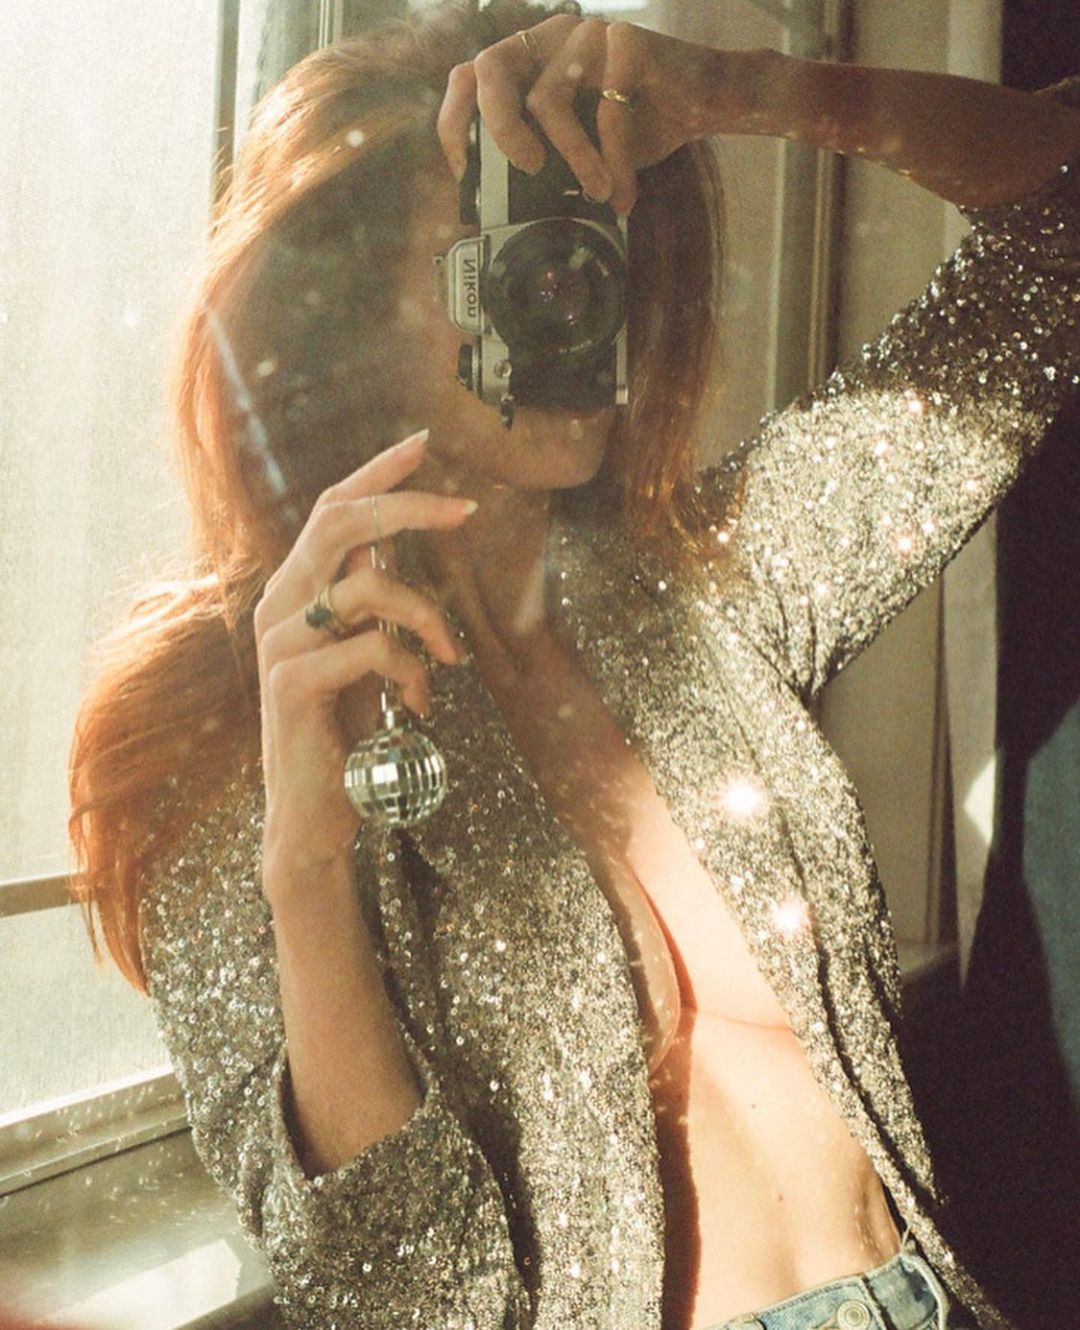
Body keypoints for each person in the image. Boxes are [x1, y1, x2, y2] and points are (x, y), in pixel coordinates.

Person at [65, 1, 1080, 1327]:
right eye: (507, 262)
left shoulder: (710, 587)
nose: (566, 300)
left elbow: (1063, 231)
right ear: (359, 319)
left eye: (585, 253)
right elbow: (406, 1297)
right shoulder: (243, 729)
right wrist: (307, 867)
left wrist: (753, 92)